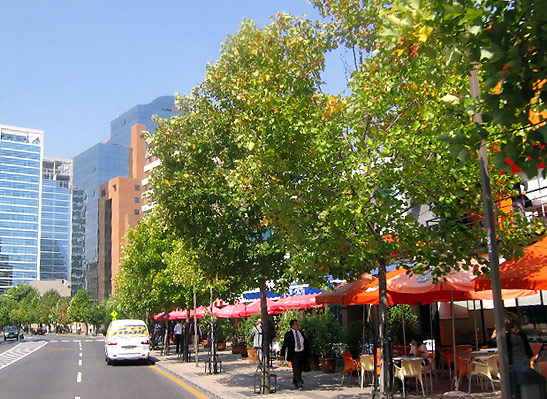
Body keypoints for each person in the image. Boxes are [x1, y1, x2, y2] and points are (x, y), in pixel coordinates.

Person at [281, 319, 309, 390]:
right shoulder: (289, 334)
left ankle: (295, 380)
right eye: (296, 324)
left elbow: (305, 343)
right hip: (294, 354)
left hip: (301, 353)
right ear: (292, 326)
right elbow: (285, 345)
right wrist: (282, 354)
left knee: (300, 368)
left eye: (298, 324)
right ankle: (299, 383)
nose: (297, 325)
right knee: (296, 368)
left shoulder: (301, 333)